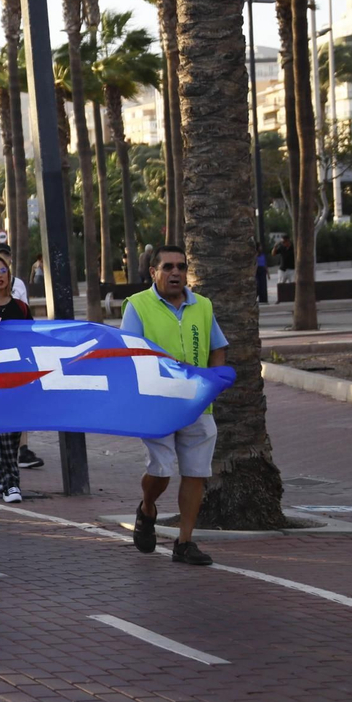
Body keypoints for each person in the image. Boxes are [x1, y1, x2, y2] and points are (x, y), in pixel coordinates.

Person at [120, 243, 227, 567]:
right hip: (157, 405)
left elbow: (217, 348)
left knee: (196, 473)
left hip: (197, 406)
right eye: (168, 267)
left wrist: (210, 386)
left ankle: (184, 542)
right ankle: (148, 507)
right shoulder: (137, 306)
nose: (176, 272)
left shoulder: (203, 306)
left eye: (181, 266)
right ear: (153, 272)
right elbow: (127, 354)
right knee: (161, 469)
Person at [0, 252, 39, 500]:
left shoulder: (20, 307)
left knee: (12, 433)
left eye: (2, 271)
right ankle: (11, 483)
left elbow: (31, 336)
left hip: (17, 377)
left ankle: (0, 468)